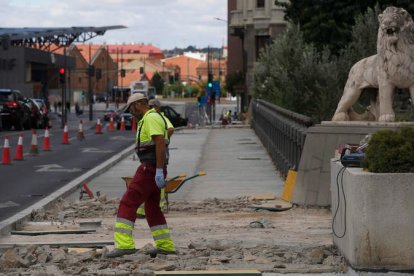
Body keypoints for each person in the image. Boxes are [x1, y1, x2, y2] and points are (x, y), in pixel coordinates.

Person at [106, 93, 176, 258]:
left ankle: (124, 245)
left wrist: (158, 170)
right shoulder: (151, 117)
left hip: (149, 169)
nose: (130, 112)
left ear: (138, 104)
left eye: (131, 108)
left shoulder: (151, 118)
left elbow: (159, 142)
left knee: (128, 201)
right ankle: (165, 245)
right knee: (152, 208)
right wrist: (160, 170)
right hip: (153, 168)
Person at [135, 98, 174, 218]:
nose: (150, 107)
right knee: (150, 189)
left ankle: (148, 209)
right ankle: (148, 209)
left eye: (152, 106)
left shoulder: (155, 117)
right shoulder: (149, 117)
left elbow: (170, 129)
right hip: (150, 158)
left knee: (144, 188)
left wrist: (161, 141)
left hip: (155, 158)